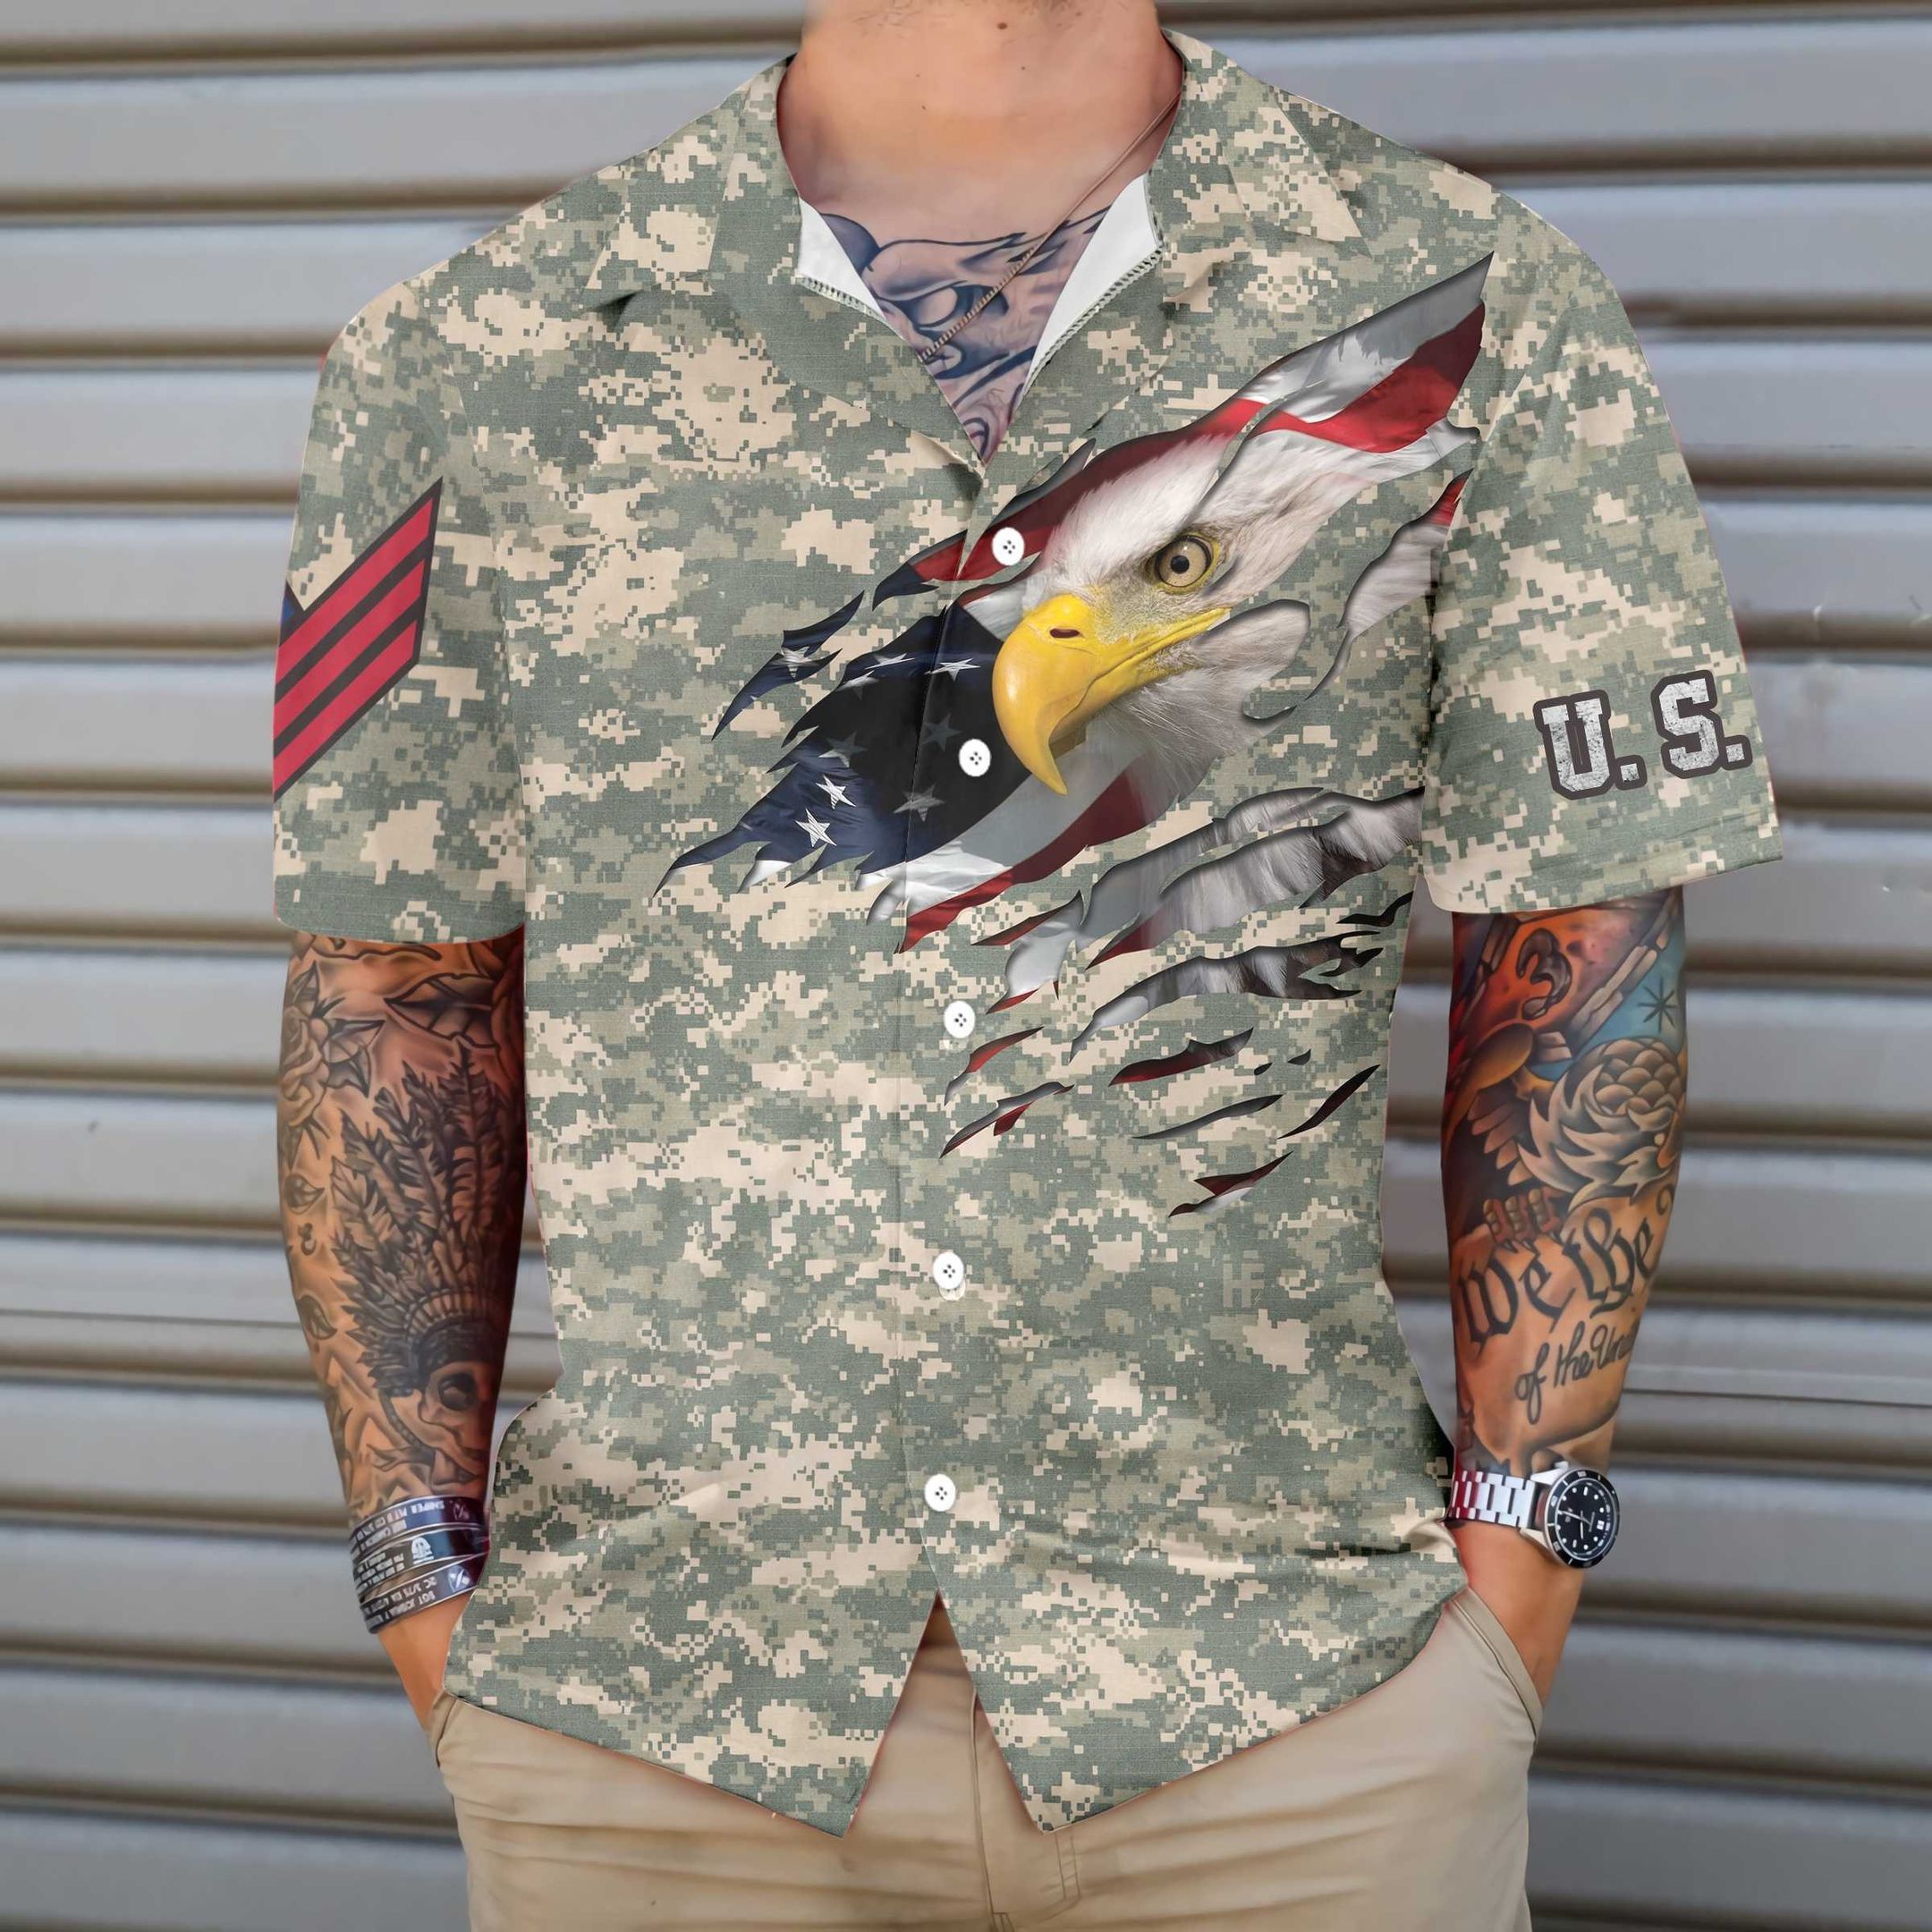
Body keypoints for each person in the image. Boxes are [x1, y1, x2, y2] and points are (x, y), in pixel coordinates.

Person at [271, 3, 1783, 1926]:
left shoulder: (1479, 304)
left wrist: (1519, 1579)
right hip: (650, 1730)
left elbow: (1582, 942)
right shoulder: (468, 359)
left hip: (1292, 1711)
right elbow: (394, 986)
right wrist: (421, 1580)